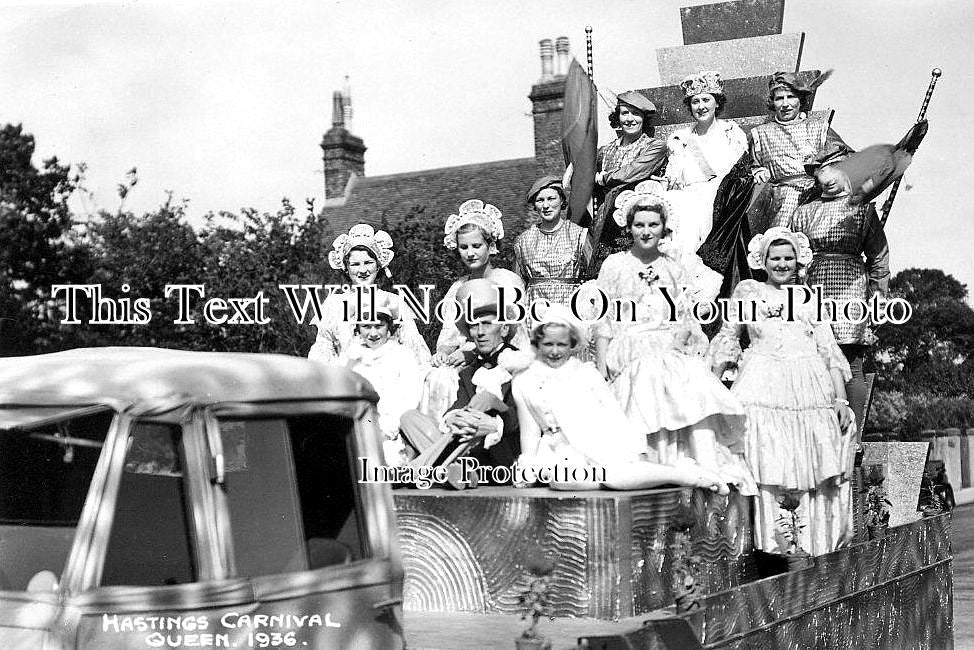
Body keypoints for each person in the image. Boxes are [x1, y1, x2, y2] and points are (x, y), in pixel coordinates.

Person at [594, 184, 755, 492]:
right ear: (628, 228)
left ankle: (704, 472)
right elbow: (603, 319)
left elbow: (684, 319)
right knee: (645, 391)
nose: (645, 231)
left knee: (689, 390)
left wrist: (685, 346)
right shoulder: (614, 264)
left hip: (668, 346)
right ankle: (655, 475)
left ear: (663, 227)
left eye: (652, 224)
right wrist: (601, 365)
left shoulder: (673, 267)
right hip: (629, 346)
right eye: (639, 225)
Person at [709, 228, 855, 555]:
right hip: (760, 380)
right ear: (763, 260)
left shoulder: (808, 297)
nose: (782, 264)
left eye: (788, 258)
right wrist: (717, 384)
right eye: (775, 258)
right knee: (764, 457)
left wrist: (840, 398)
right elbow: (729, 336)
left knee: (808, 459)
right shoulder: (748, 292)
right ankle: (769, 543)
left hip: (808, 382)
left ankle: (809, 544)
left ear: (798, 260)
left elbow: (828, 349)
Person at [512, 305, 729, 492]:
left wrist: (636, 450)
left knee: (600, 475)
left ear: (572, 345)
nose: (555, 351)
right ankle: (642, 477)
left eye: (562, 345)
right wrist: (527, 465)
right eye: (548, 344)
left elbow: (613, 414)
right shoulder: (524, 380)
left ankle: (683, 475)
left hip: (595, 442)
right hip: (555, 452)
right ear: (538, 343)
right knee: (563, 478)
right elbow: (529, 432)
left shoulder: (585, 373)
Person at [777, 141, 904, 428]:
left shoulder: (862, 211)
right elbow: (790, 257)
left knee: (850, 362)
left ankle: (854, 436)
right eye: (824, 170)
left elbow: (878, 257)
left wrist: (878, 299)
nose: (829, 177)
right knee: (814, 359)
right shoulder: (803, 212)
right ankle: (819, 430)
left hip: (850, 287)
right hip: (812, 287)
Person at [401, 279, 533, 484]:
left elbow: (520, 422)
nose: (480, 332)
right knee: (409, 418)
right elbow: (457, 407)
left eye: (487, 324)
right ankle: (455, 472)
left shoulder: (521, 365)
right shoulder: (469, 372)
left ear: (505, 329)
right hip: (469, 453)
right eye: (473, 325)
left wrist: (493, 411)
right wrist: (452, 418)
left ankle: (418, 470)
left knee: (479, 408)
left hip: (503, 456)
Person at [422, 200, 528, 418]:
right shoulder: (457, 288)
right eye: (464, 247)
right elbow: (450, 336)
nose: (470, 253)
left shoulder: (507, 281)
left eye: (476, 246)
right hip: (462, 359)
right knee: (436, 377)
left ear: (490, 246)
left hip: (499, 357)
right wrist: (443, 353)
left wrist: (471, 352)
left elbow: (511, 333)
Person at [308, 223, 431, 365]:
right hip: (345, 376)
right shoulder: (334, 303)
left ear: (378, 265)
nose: (362, 270)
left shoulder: (394, 301)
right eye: (355, 264)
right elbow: (324, 346)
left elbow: (412, 346)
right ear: (346, 268)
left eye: (368, 262)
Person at [749, 71, 851, 233]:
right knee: (783, 228)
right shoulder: (760, 134)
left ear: (800, 99)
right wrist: (757, 171)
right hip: (782, 196)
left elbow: (844, 155)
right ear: (772, 102)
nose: (785, 104)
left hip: (819, 192)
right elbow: (748, 168)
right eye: (779, 98)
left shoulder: (818, 128)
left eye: (790, 97)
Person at [663, 71, 749, 261]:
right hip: (687, 202)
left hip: (722, 200)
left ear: (717, 102)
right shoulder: (681, 138)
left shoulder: (731, 134)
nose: (701, 106)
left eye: (706, 100)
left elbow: (740, 173)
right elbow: (674, 178)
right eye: (695, 102)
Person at [340, 297, 427, 467]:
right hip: (358, 429)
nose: (373, 334)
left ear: (388, 329)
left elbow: (410, 399)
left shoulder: (403, 355)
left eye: (379, 326)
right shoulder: (349, 359)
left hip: (392, 432)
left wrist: (386, 432)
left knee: (385, 461)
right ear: (358, 330)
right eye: (366, 326)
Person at [588, 91, 667, 273]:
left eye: (636, 113)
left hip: (639, 221)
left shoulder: (654, 146)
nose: (630, 119)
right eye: (625, 113)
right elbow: (584, 173)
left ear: (644, 118)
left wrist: (603, 177)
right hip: (605, 220)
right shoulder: (604, 151)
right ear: (617, 117)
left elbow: (632, 173)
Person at [514, 176, 588, 319]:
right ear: (535, 206)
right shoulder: (523, 241)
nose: (546, 205)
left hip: (571, 308)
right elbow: (518, 283)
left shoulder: (579, 234)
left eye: (551, 199)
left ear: (562, 200)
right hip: (536, 311)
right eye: (540, 200)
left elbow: (593, 277)